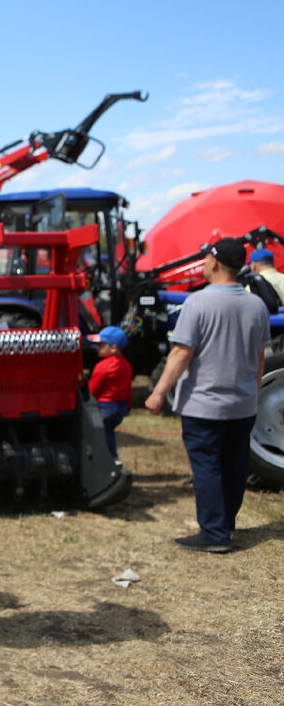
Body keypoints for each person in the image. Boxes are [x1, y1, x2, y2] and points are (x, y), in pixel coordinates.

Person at [145, 237, 270, 554]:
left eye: (205, 260)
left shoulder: (197, 302)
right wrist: (253, 392)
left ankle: (213, 533)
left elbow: (181, 353)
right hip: (242, 404)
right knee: (234, 466)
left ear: (214, 263)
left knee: (207, 467)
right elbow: (260, 357)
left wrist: (159, 393)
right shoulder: (256, 305)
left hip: (204, 405)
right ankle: (225, 525)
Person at [87, 325, 133, 459]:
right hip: (120, 407)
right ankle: (112, 457)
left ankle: (107, 459)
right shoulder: (126, 365)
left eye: (101, 345)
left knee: (101, 435)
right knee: (109, 432)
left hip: (105, 407)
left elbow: (92, 389)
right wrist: (128, 406)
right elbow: (128, 389)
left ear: (113, 348)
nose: (97, 347)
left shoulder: (103, 366)